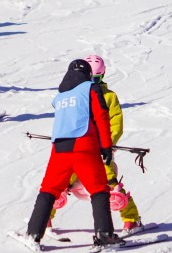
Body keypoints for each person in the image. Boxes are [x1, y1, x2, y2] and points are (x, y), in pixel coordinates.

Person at [19, 60, 123, 249]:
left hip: (59, 148)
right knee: (99, 189)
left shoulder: (61, 95)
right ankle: (105, 235)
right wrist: (106, 147)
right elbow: (101, 117)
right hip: (84, 145)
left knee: (48, 189)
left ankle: (33, 234)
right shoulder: (91, 88)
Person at [48, 54, 144, 235]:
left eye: (97, 79)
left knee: (110, 183)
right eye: (90, 78)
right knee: (61, 181)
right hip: (77, 148)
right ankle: (47, 217)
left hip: (100, 151)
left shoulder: (109, 96)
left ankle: (131, 219)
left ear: (103, 75)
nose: (93, 82)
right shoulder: (77, 95)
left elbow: (116, 123)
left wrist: (106, 143)